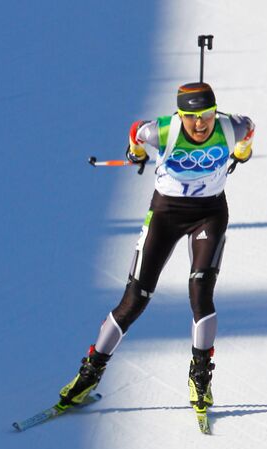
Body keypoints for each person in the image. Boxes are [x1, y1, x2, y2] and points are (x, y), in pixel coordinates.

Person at [60, 81, 254, 412]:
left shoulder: (231, 126)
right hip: (166, 213)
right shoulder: (162, 131)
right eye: (192, 117)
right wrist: (134, 154)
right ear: (180, 114)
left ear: (215, 112)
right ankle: (90, 373)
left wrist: (240, 153)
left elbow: (249, 130)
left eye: (206, 115)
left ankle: (200, 377)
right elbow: (137, 132)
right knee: (135, 299)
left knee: (200, 294)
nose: (200, 124)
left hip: (209, 214)